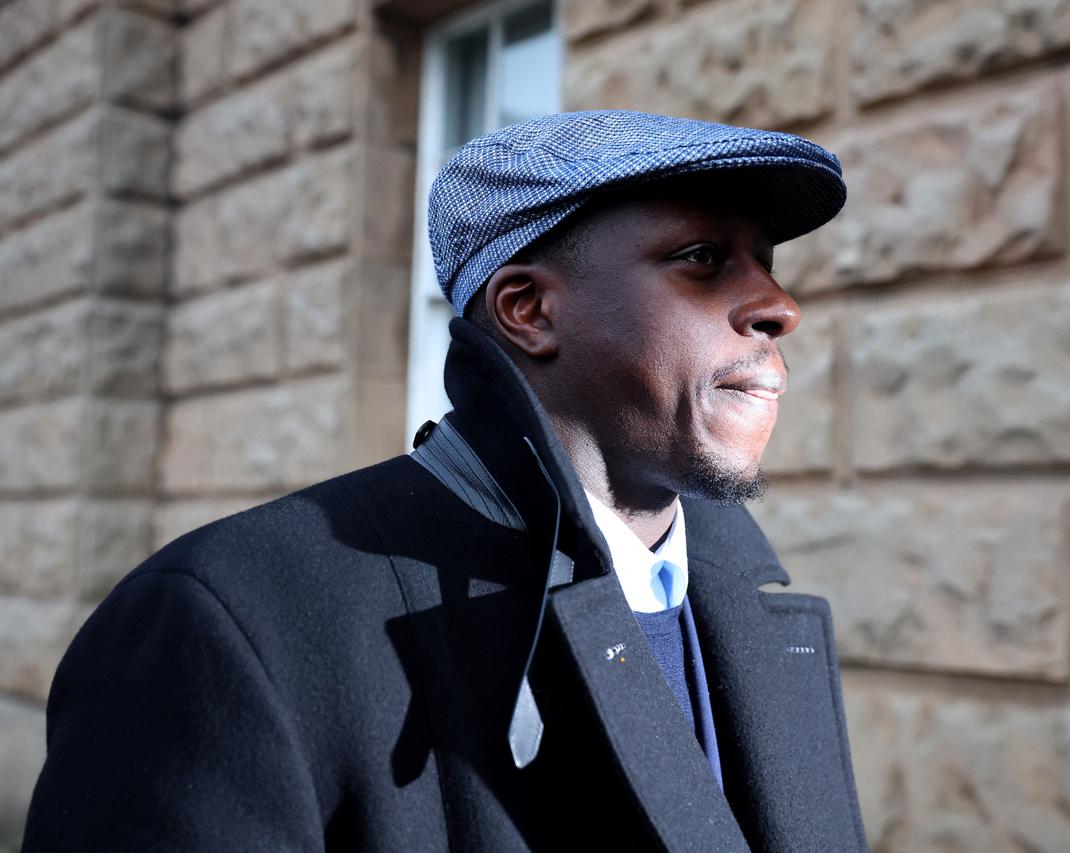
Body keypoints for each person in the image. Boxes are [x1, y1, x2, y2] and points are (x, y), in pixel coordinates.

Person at [23, 111, 868, 852]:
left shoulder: (747, 606)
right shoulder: (228, 619)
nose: (779, 305)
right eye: (702, 258)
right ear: (529, 310)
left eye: (765, 261)